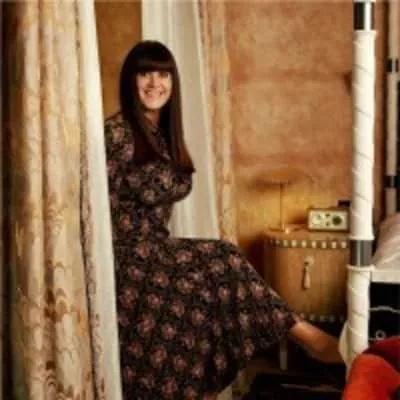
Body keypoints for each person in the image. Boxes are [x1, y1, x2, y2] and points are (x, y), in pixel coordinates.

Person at [104, 40, 342, 400]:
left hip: (156, 254)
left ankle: (205, 393)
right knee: (223, 257)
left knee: (206, 300)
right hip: (127, 257)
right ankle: (309, 338)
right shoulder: (118, 132)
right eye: (145, 74)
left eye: (163, 74)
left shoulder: (163, 137)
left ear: (173, 81)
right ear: (130, 80)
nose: (154, 83)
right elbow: (97, 204)